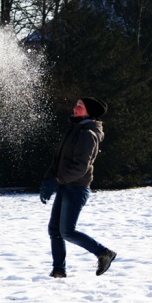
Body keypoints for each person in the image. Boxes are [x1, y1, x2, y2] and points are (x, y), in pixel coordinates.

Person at [40, 97, 116, 278]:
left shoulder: (87, 134)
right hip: (65, 186)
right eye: (76, 105)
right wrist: (47, 180)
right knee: (55, 230)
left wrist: (56, 180)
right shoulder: (76, 130)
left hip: (76, 188)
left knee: (66, 231)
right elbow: (58, 160)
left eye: (79, 107)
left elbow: (80, 167)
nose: (74, 108)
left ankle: (104, 253)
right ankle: (58, 270)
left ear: (89, 112)